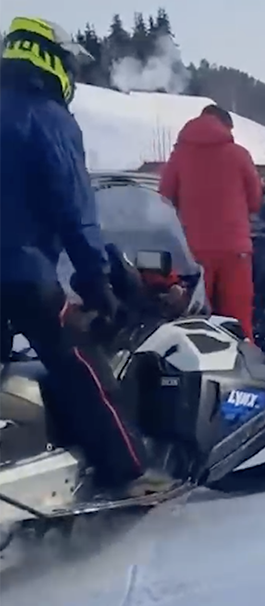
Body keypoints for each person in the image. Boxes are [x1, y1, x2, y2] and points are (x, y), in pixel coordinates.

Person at [0, 16, 170, 497]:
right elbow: (76, 210)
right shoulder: (48, 119)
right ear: (51, 60)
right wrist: (96, 282)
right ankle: (130, 472)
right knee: (80, 366)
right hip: (21, 273)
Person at [160, 104, 263, 341]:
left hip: (193, 252)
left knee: (196, 319)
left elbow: (164, 197)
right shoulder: (238, 154)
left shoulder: (180, 155)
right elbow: (256, 201)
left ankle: (200, 369)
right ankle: (244, 365)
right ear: (225, 125)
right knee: (238, 319)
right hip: (234, 250)